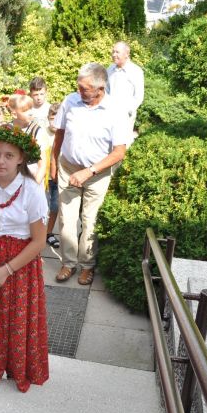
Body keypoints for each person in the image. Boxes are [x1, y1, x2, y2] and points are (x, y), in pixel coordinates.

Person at [0, 124, 48, 393]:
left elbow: (39, 241)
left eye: (8, 155)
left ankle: (18, 368)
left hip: (19, 263)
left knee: (16, 318)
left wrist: (6, 269)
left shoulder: (32, 191)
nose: (1, 161)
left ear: (21, 159)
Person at [52, 63, 130, 286]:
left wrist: (90, 171)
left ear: (100, 88)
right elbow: (59, 134)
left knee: (90, 220)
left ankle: (87, 266)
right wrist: (53, 163)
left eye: (84, 89)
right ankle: (68, 263)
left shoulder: (116, 110)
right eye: (78, 87)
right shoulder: (70, 101)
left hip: (97, 173)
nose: (79, 92)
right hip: (68, 167)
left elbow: (119, 152)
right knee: (66, 219)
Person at [8, 94, 51, 186]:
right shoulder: (6, 130)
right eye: (25, 110)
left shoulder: (37, 131)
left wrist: (35, 186)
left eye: (31, 108)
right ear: (14, 114)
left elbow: (42, 164)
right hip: (10, 180)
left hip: (32, 178)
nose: (30, 112)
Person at [106, 41, 144, 136]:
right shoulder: (110, 69)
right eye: (113, 52)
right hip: (109, 114)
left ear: (126, 54)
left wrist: (128, 111)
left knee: (121, 145)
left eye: (117, 52)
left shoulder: (136, 71)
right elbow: (106, 90)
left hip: (125, 117)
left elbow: (139, 96)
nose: (114, 55)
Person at [45, 102, 62, 249]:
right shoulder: (43, 133)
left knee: (54, 206)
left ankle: (48, 232)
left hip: (57, 176)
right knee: (43, 205)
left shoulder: (64, 134)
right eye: (52, 118)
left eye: (57, 119)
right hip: (43, 177)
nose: (54, 122)